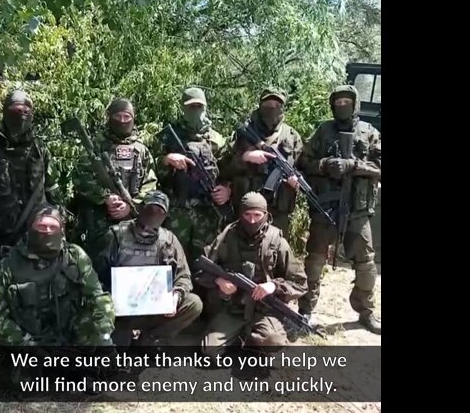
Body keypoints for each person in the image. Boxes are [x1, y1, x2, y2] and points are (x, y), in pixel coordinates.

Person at [297, 85, 382, 333]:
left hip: (357, 210)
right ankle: (306, 311)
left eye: (347, 101)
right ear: (332, 105)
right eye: (338, 102)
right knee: (314, 261)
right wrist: (325, 164)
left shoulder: (369, 132)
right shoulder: (323, 131)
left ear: (355, 104)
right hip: (326, 209)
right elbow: (303, 161)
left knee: (366, 264)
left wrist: (353, 165)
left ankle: (366, 312)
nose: (342, 106)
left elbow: (379, 167)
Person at [0, 89, 61, 335]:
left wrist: (58, 217)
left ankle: (33, 335)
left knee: (36, 286)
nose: (21, 115)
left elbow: (53, 188)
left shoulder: (39, 149)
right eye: (15, 110)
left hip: (34, 232)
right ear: (5, 111)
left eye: (26, 111)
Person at [0, 206, 115, 347]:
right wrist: (24, 342)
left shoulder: (74, 256)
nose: (47, 231)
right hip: (28, 339)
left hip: (72, 334)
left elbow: (98, 297)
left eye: (53, 227)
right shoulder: (10, 263)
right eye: (41, 226)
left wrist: (103, 333)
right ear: (30, 229)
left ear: (62, 231)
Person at [196, 192, 307, 356]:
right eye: (247, 214)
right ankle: (241, 335)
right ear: (240, 214)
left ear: (266, 215)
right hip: (233, 307)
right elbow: (201, 269)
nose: (252, 220)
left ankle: (253, 337)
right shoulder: (227, 236)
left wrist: (273, 286)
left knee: (272, 341)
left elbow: (299, 282)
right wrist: (219, 280)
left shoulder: (276, 241)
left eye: (257, 215)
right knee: (210, 351)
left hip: (264, 308)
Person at [93, 191, 203, 350]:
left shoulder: (168, 239)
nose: (153, 215)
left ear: (165, 216)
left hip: (154, 308)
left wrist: (176, 296)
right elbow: (94, 275)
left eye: (159, 212)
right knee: (117, 349)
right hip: (119, 312)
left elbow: (183, 275)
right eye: (150, 209)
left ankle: (151, 339)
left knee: (193, 303)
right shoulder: (116, 235)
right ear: (140, 209)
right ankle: (124, 335)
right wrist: (111, 297)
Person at [151, 87, 233, 268]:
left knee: (206, 261)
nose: (195, 111)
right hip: (177, 211)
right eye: (191, 107)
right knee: (172, 258)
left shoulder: (217, 140)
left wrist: (226, 190)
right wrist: (167, 159)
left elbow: (229, 171)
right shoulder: (167, 136)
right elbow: (148, 168)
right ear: (183, 108)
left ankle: (200, 297)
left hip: (207, 212)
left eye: (199, 106)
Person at [69, 96, 157, 258]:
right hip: (98, 222)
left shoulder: (141, 150)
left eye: (126, 117)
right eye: (117, 116)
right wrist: (105, 197)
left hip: (133, 222)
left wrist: (132, 206)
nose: (122, 121)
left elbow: (150, 184)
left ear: (133, 119)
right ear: (109, 118)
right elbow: (80, 178)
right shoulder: (95, 145)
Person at [222, 88, 306, 218]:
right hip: (246, 210)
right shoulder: (245, 134)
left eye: (276, 106)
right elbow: (223, 167)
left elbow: (303, 167)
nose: (272, 109)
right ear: (260, 106)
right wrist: (246, 157)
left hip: (278, 211)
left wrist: (296, 180)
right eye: (267, 105)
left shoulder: (292, 136)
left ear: (283, 109)